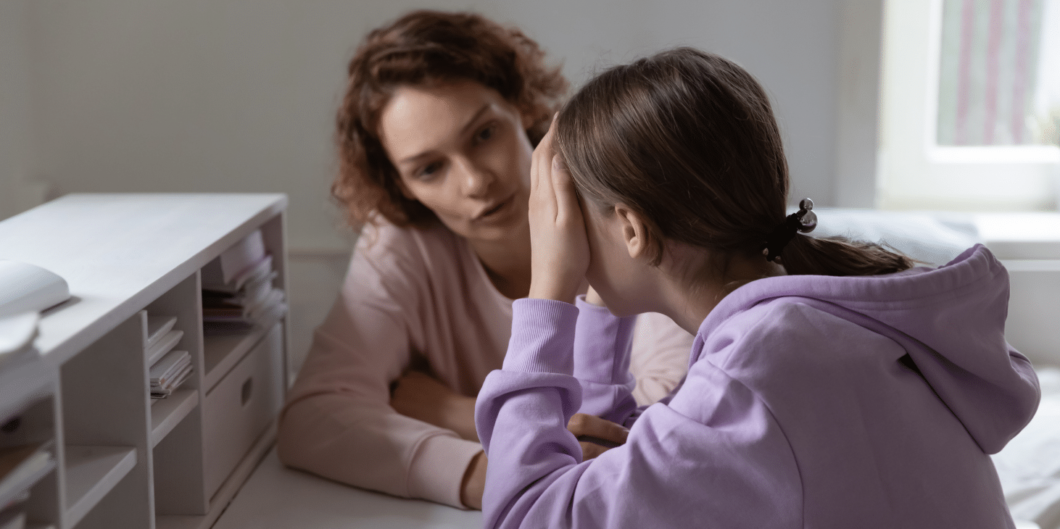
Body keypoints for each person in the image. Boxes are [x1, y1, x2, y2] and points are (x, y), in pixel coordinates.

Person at [474, 47, 1041, 528]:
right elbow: (598, 470)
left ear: (630, 227)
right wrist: (598, 309)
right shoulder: (818, 331)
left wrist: (547, 292)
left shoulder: (749, 376)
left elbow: (523, 514)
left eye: (567, 213)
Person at [276, 10, 693, 511]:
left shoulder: (616, 204)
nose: (474, 181)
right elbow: (312, 417)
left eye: (483, 134)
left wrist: (453, 410)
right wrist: (488, 473)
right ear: (402, 186)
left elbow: (667, 415)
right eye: (430, 169)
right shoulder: (402, 244)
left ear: (520, 106)